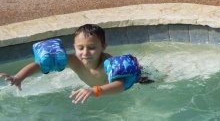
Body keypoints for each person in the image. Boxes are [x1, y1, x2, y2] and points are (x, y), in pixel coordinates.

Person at [0, 24, 143, 104]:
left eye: (92, 48)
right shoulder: (74, 61)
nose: (85, 52)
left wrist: (95, 90)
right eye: (80, 48)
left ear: (103, 46)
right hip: (96, 91)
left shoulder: (107, 63)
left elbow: (120, 85)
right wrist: (19, 77)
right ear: (74, 47)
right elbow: (42, 64)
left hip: (136, 82)